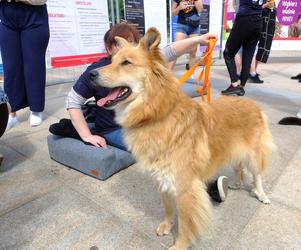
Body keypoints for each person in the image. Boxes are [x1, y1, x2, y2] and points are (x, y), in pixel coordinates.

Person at [49, 22, 228, 202]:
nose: (127, 47)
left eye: (132, 42)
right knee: (167, 151)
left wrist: (199, 38)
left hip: (147, 119)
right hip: (116, 128)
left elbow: (171, 50)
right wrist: (87, 136)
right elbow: (72, 100)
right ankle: (204, 183)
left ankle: (202, 167)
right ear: (109, 47)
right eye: (120, 44)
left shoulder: (140, 60)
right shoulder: (97, 70)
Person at [0, 0, 50, 130]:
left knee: (34, 67)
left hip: (34, 14)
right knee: (10, 68)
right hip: (7, 15)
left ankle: (36, 109)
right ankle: (12, 112)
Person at [221, 0, 274, 96]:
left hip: (244, 20)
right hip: (258, 21)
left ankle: (234, 85)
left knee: (228, 53)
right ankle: (241, 87)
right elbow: (271, 4)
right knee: (248, 56)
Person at [168, 0, 203, 71]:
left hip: (194, 26)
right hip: (182, 25)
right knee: (175, 51)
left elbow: (200, 10)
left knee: (193, 52)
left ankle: (191, 74)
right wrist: (179, 8)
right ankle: (167, 75)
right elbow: (173, 13)